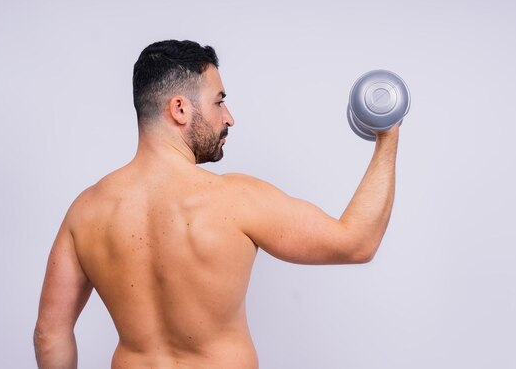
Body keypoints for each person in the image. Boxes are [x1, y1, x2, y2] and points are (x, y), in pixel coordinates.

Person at [33, 39, 400, 368]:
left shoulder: (86, 211)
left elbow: (50, 333)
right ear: (179, 108)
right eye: (219, 102)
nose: (229, 118)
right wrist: (388, 133)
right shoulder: (235, 199)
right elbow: (356, 242)